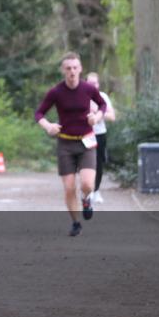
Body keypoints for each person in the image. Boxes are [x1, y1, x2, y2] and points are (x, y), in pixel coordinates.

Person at [34, 52, 107, 237]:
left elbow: (102, 105)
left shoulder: (88, 89)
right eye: (68, 68)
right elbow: (39, 114)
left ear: (80, 69)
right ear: (63, 70)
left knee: (88, 184)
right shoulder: (56, 92)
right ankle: (76, 222)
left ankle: (86, 199)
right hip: (65, 143)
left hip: (87, 141)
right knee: (68, 187)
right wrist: (48, 126)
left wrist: (96, 117)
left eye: (75, 68)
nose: (72, 72)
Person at [85, 72, 116, 204]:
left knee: (98, 164)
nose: (93, 85)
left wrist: (98, 110)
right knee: (86, 164)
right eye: (90, 83)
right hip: (85, 134)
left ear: (98, 84)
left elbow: (112, 117)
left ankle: (96, 191)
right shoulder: (81, 96)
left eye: (95, 83)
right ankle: (88, 191)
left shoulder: (103, 97)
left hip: (100, 134)